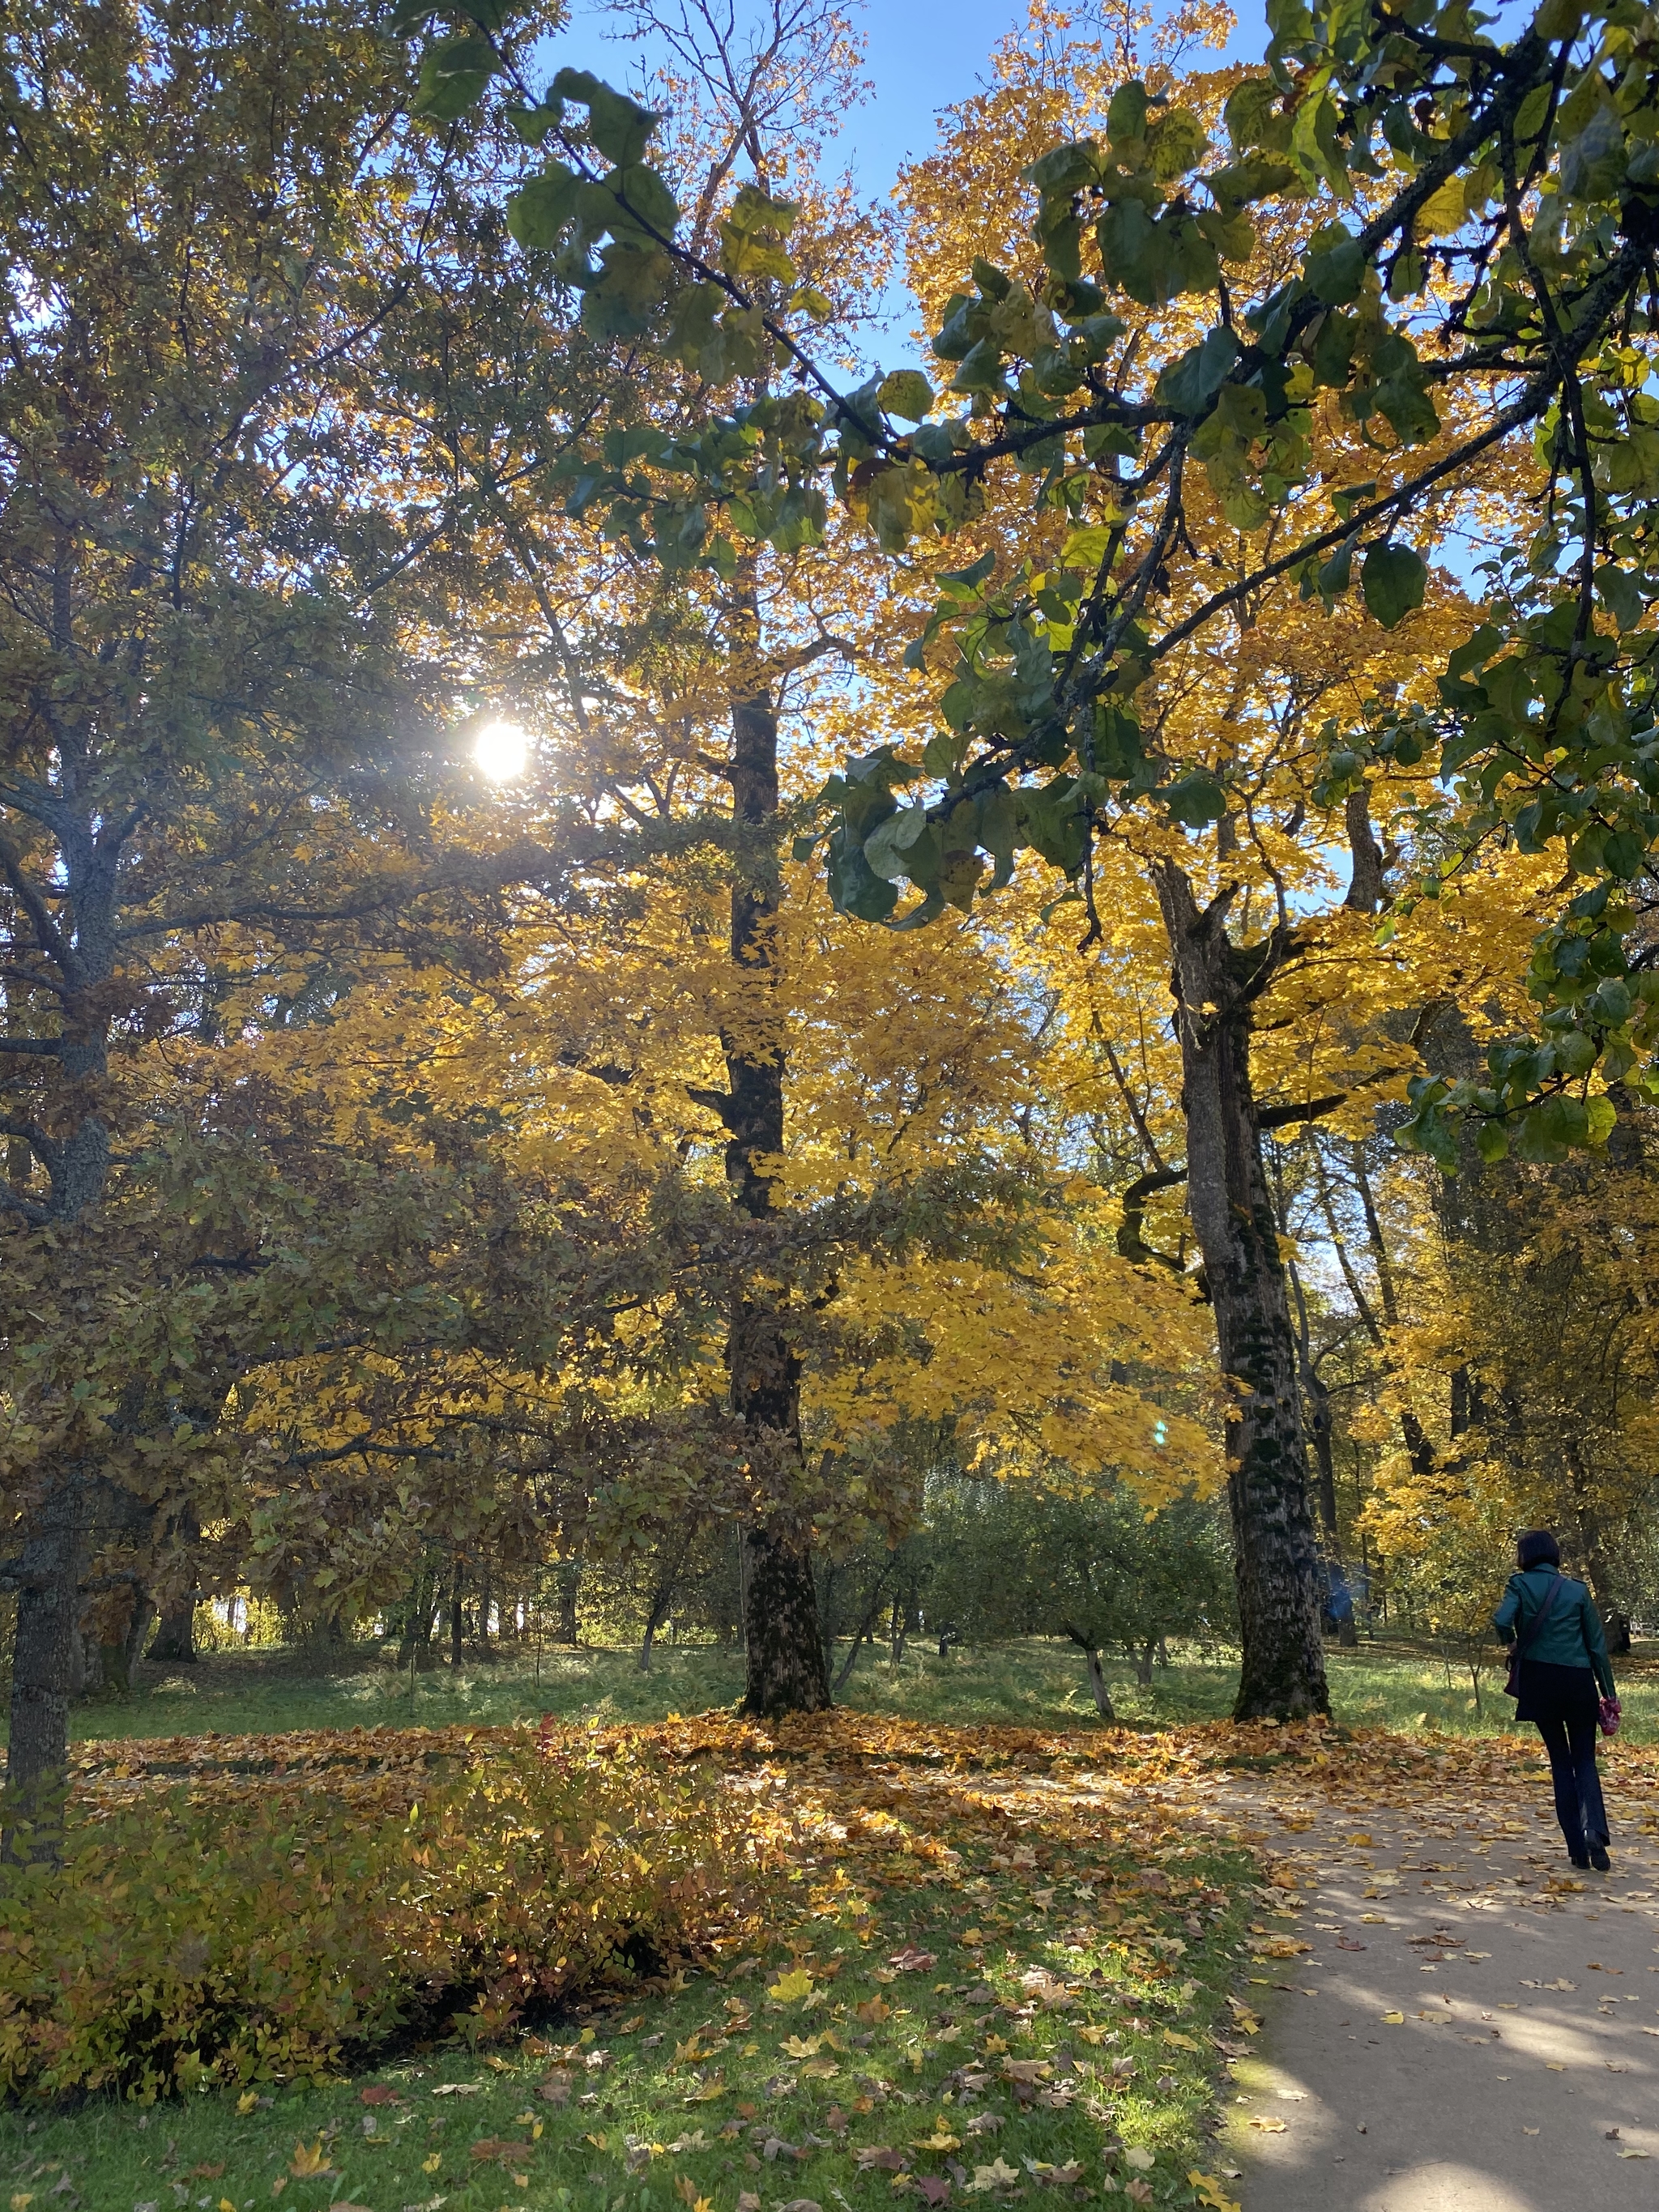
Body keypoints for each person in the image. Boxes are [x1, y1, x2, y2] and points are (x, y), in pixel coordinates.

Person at [1494, 1530, 1618, 1871]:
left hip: (1540, 1681)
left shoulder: (1519, 1585)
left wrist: (1512, 1641)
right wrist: (1608, 1692)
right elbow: (1596, 1647)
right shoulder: (1577, 1590)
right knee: (1586, 1761)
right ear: (1554, 1554)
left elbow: (1502, 1620)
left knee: (1560, 1762)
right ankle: (1596, 1833)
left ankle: (1577, 1851)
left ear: (1525, 1556)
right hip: (1578, 1682)